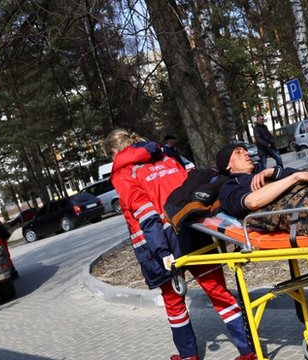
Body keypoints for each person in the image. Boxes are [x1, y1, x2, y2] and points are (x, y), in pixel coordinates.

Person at [105, 129, 256, 360]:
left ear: (115, 152)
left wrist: (161, 251)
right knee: (219, 292)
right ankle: (248, 351)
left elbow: (144, 212)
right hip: (195, 230)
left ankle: (188, 356)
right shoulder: (166, 158)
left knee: (175, 302)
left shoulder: (123, 172)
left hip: (161, 242)